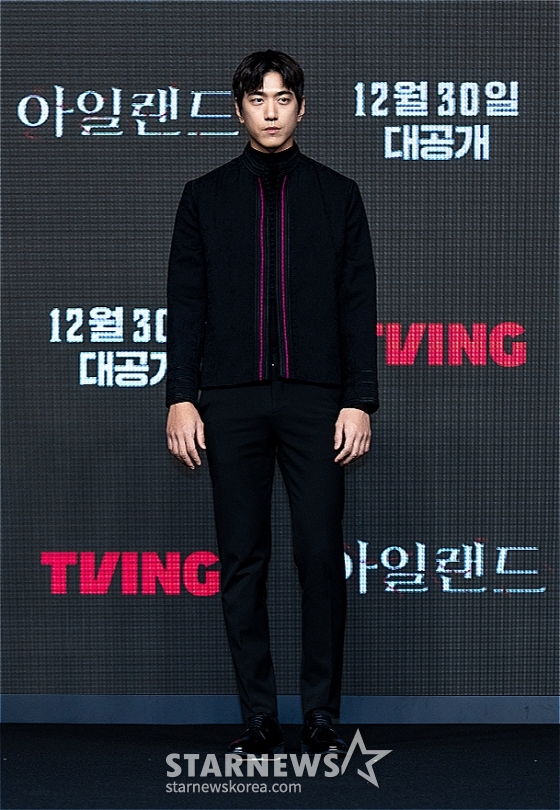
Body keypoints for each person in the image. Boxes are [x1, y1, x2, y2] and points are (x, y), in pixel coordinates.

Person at [166, 50, 378, 758]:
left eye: (283, 98)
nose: (271, 111)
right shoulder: (204, 197)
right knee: (241, 560)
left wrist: (359, 400)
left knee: (319, 555)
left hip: (318, 401)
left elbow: (357, 303)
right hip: (229, 401)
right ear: (238, 110)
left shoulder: (337, 195)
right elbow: (186, 305)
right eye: (257, 99)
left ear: (301, 108)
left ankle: (321, 715)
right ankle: (259, 716)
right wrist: (181, 397)